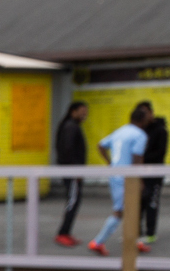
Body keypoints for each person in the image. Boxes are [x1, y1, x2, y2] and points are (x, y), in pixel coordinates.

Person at [88, 102, 153, 257]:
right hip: (127, 178)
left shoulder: (120, 131)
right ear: (142, 119)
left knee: (130, 208)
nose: (151, 117)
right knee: (119, 212)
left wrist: (110, 163)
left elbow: (101, 145)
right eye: (149, 115)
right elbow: (137, 158)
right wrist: (140, 180)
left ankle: (134, 241)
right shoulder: (140, 135)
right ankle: (98, 242)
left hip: (115, 175)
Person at [53, 99, 90, 246]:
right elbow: (67, 150)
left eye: (86, 113)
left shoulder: (71, 125)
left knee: (73, 200)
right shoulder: (71, 127)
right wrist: (76, 170)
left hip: (72, 170)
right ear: (73, 112)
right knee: (73, 200)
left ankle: (66, 232)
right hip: (72, 171)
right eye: (81, 112)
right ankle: (63, 233)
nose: (84, 115)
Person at [140, 111, 170, 240]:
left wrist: (142, 159)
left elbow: (160, 152)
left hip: (154, 174)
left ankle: (150, 233)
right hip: (140, 173)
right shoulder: (141, 130)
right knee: (138, 203)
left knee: (152, 203)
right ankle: (135, 232)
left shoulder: (161, 131)